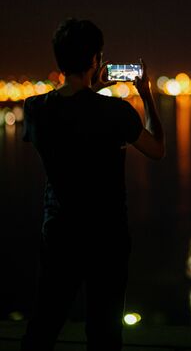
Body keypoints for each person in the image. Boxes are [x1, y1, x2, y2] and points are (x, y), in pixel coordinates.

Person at [20, 18, 165, 351]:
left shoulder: (35, 109)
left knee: (44, 325)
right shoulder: (117, 112)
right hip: (107, 236)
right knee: (104, 333)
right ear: (96, 60)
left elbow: (72, 111)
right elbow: (157, 149)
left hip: (59, 233)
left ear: (59, 59)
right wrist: (148, 97)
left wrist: (90, 88)